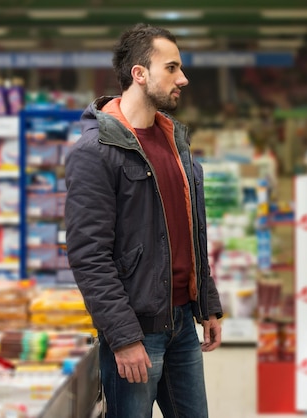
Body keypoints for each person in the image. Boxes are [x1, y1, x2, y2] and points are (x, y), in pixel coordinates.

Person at [64, 23, 223, 418]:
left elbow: (190, 232)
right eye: (171, 68)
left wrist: (208, 302)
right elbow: (89, 255)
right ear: (140, 74)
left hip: (183, 323)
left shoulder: (175, 142)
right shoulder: (96, 152)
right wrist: (122, 337)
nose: (182, 79)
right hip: (136, 331)